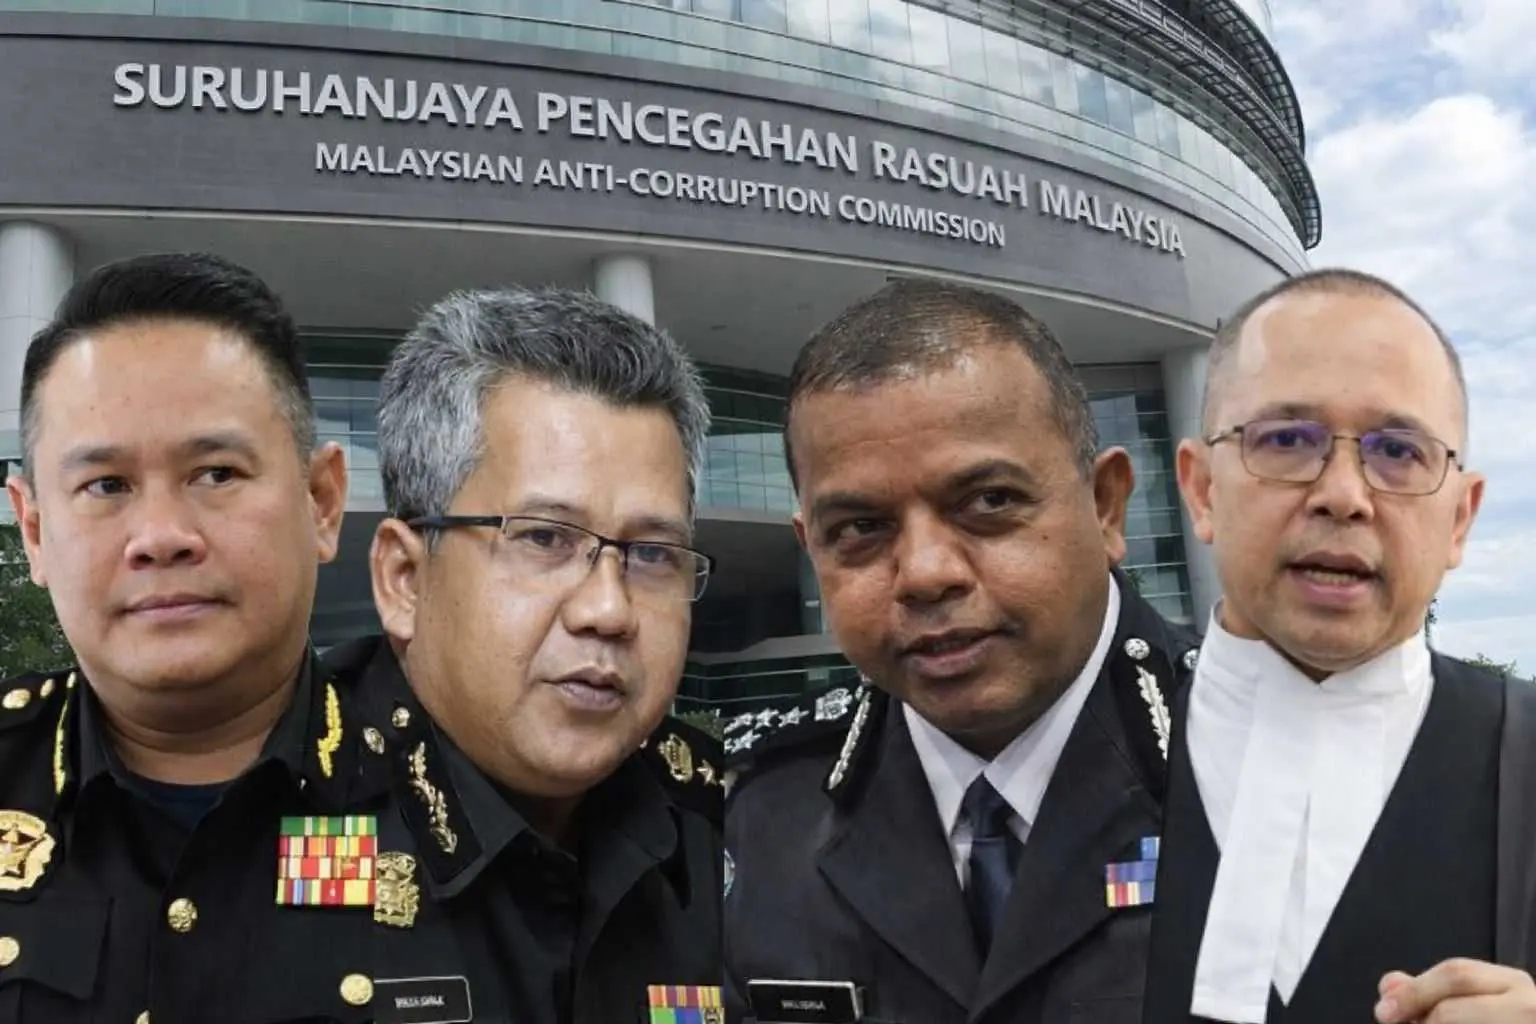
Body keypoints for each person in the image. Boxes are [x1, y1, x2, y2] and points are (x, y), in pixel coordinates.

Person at [722, 278, 1201, 1024]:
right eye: (859, 528)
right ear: (811, 548)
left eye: (989, 503)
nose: (925, 573)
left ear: (1106, 505)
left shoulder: (1273, 765)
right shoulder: (758, 818)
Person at [317, 285, 726, 1024]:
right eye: (544, 539)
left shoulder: (736, 834)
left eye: (652, 554)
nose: (608, 610)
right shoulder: (261, 814)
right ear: (404, 580)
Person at [1141, 268, 1536, 1024]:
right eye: (1287, 439)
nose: (1345, 494)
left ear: (1460, 519)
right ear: (1200, 490)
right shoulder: (1065, 758)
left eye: (1399, 451)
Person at [0, 251, 354, 1021]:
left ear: (322, 501)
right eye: (106, 486)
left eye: (216, 473)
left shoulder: (469, 802)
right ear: (32, 529)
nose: (160, 537)